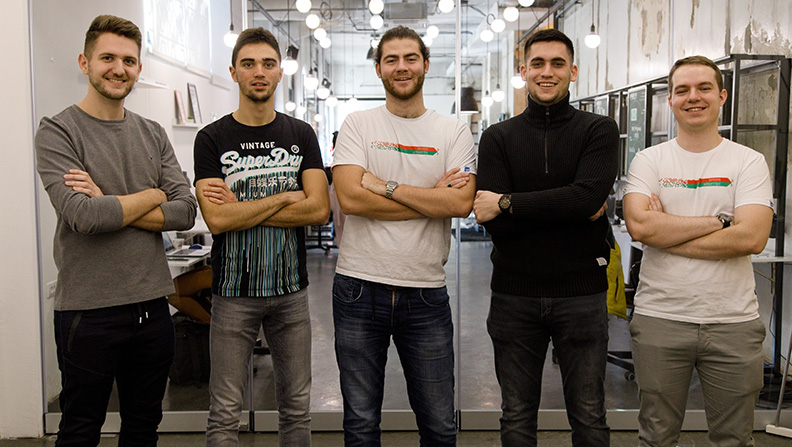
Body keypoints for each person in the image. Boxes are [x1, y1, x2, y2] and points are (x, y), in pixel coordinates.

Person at [34, 15, 197, 446]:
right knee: (80, 430)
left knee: (143, 429)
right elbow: (83, 217)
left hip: (152, 308)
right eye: (107, 57)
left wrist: (109, 200)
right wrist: (155, 194)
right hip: (87, 311)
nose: (118, 69)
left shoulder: (152, 133)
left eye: (128, 60)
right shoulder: (58, 130)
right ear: (84, 62)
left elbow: (186, 210)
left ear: (139, 68)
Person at [473, 28, 619, 447]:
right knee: (517, 418)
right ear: (524, 71)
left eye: (558, 63)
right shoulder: (498, 137)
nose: (547, 72)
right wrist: (570, 204)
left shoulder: (598, 130)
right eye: (537, 63)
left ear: (573, 71)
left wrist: (507, 201)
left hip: (581, 295)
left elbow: (586, 198)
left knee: (589, 417)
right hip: (514, 296)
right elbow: (495, 223)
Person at [332, 25, 476, 447]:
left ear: (426, 65)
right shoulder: (357, 124)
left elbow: (460, 203)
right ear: (378, 69)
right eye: (391, 59)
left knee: (439, 426)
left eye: (410, 58)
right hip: (358, 287)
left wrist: (385, 186)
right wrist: (432, 198)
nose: (401, 67)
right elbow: (350, 199)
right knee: (360, 425)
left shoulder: (452, 131)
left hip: (425, 291)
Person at [623, 56, 773, 446]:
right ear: (671, 100)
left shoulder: (749, 161)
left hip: (733, 321)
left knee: (734, 439)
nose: (694, 97)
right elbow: (641, 227)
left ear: (722, 96)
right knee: (656, 437)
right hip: (661, 317)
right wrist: (722, 222)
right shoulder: (649, 160)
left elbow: (751, 238)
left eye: (704, 88)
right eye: (683, 90)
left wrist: (667, 232)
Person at [193, 27, 330, 446]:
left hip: (291, 294)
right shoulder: (211, 138)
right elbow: (217, 220)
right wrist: (286, 196)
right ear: (233, 72)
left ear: (279, 73)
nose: (259, 72)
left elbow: (319, 209)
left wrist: (244, 209)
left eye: (268, 64)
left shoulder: (301, 134)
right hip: (232, 294)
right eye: (249, 64)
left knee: (296, 410)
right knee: (224, 414)